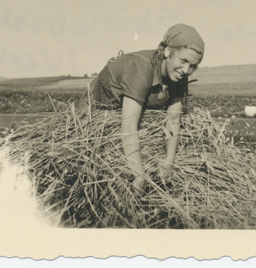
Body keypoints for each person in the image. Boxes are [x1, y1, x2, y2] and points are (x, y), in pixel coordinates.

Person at [77, 24, 204, 193]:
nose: (186, 70)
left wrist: (168, 161)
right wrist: (138, 174)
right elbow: (129, 127)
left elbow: (173, 120)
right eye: (183, 61)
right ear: (167, 51)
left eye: (193, 66)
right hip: (93, 118)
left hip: (125, 116)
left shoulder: (179, 75)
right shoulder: (141, 68)